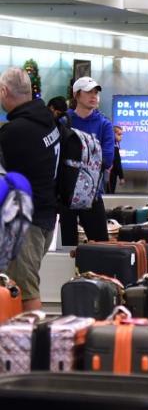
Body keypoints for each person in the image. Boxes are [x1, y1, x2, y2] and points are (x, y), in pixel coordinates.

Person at [0, 67, 58, 311]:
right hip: (45, 217)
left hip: (26, 224)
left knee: (24, 290)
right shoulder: (47, 122)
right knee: (19, 285)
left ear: (4, 91)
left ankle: (34, 346)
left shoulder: (14, 132)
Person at [60, 76, 113, 245]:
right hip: (65, 194)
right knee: (65, 249)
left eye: (96, 92)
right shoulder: (64, 122)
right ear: (76, 95)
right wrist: (91, 155)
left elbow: (108, 159)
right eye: (88, 92)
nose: (94, 96)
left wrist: (75, 159)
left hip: (92, 194)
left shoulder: (104, 124)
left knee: (101, 247)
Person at [107, 125, 124, 193]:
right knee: (109, 193)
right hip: (110, 175)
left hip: (111, 175)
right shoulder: (113, 148)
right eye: (119, 134)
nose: (121, 137)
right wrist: (121, 177)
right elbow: (117, 163)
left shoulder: (113, 146)